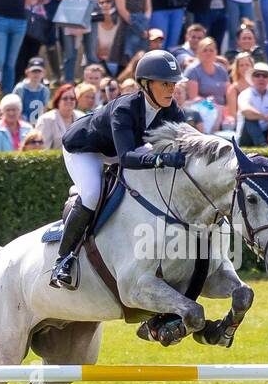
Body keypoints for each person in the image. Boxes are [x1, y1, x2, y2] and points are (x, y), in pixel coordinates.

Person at [51, 49, 189, 289]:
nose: (171, 89)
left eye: (174, 84)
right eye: (165, 83)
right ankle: (63, 260)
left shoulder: (172, 109)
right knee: (93, 193)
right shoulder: (125, 109)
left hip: (122, 150)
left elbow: (187, 141)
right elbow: (126, 158)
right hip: (85, 149)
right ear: (146, 84)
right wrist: (162, 160)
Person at [110, 0, 151, 70]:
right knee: (124, 60)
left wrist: (144, 24)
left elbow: (148, 9)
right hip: (125, 26)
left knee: (141, 60)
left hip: (142, 26)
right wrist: (137, 26)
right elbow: (122, 10)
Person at [235, 61, 268, 146]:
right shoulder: (245, 94)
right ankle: (263, 146)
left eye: (265, 75)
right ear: (252, 78)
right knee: (249, 119)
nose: (261, 78)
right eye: (257, 75)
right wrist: (265, 117)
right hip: (246, 137)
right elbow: (245, 110)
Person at [35, 84, 78, 149]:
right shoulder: (46, 120)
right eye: (65, 98)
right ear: (58, 101)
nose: (69, 101)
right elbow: (41, 148)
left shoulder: (82, 117)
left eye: (72, 98)